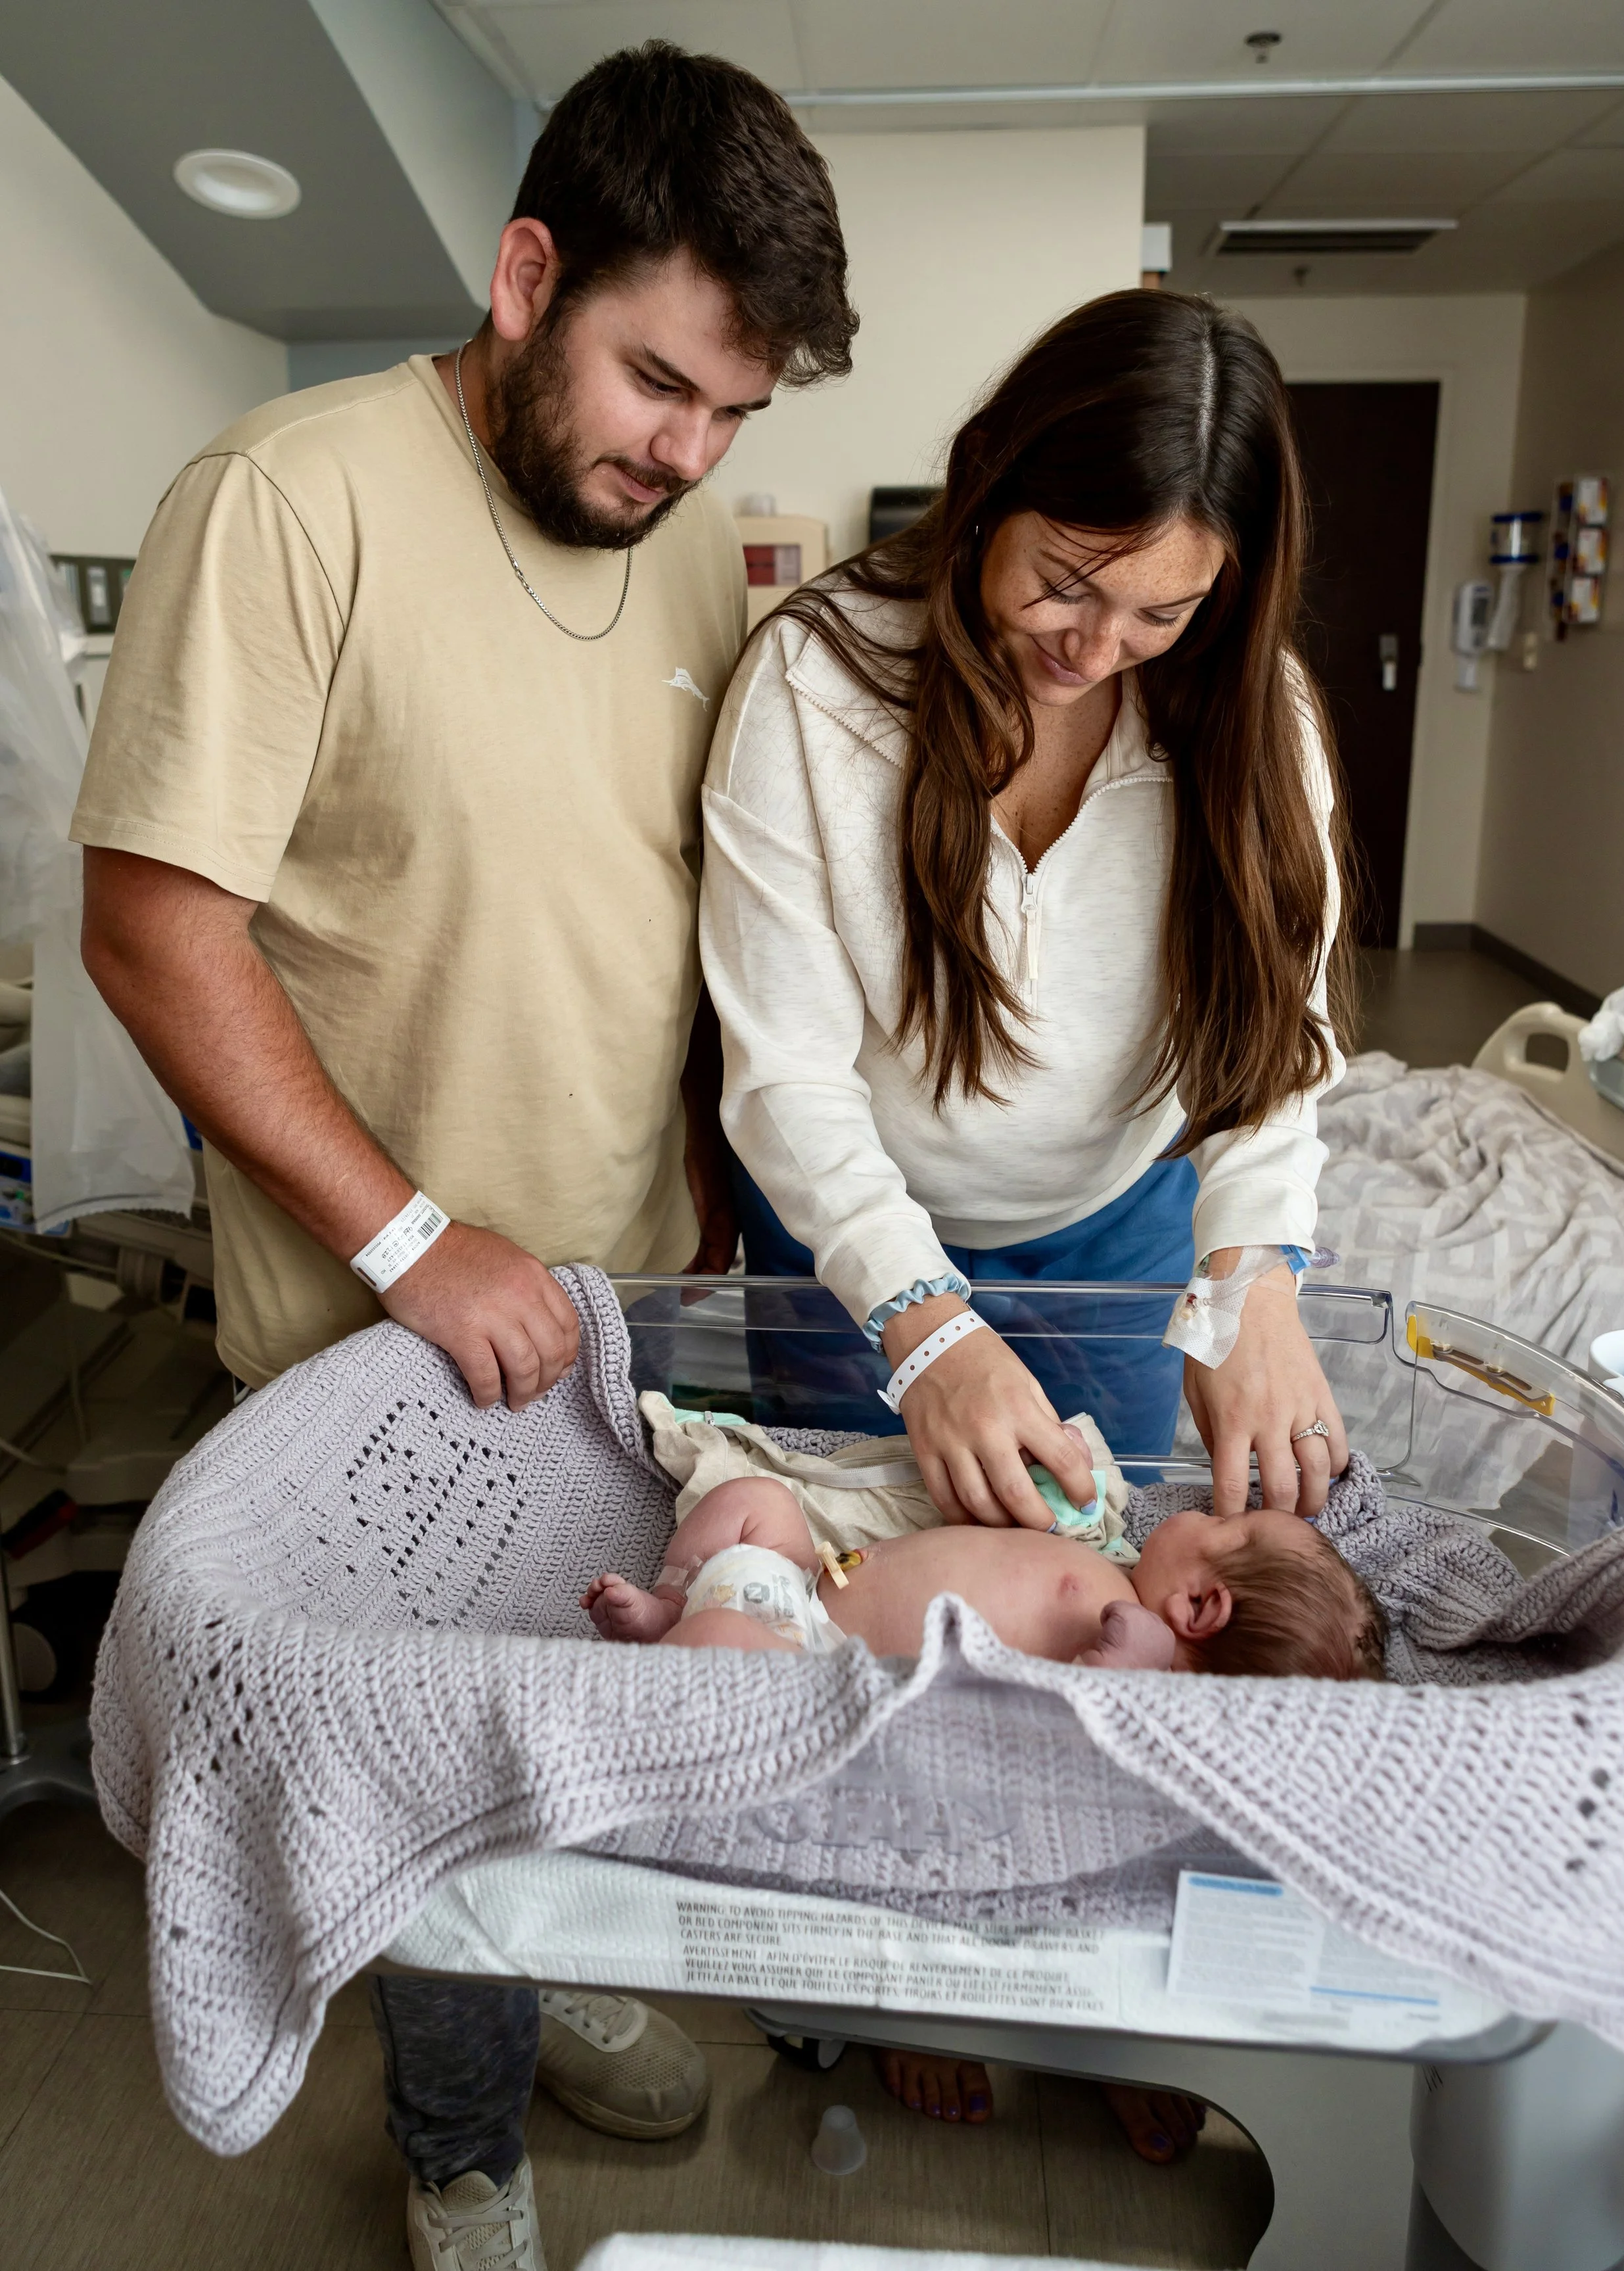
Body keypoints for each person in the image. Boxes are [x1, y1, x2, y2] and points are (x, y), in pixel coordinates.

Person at [72, 43, 854, 2270]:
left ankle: (531, 1966)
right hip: (375, 1343)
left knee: (590, 1690)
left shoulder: (695, 552)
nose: (685, 451)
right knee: (431, 1767)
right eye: (652, 380)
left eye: (729, 410)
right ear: (525, 277)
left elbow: (666, 909)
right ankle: (457, 2141)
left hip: (620, 1324)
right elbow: (156, 919)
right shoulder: (289, 494)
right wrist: (414, 1238)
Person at [699, 288, 1354, 2155]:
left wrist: (1253, 1280)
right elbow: (789, 1072)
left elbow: (1269, 1047)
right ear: (991, 487)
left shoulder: (1250, 714)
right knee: (865, 1652)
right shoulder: (819, 682)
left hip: (1120, 1225)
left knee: (1092, 1653)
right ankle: (874, 1956)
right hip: (855, 1230)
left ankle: (1082, 1963)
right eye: (1067, 581)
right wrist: (918, 1322)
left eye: (1161, 610)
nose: (1099, 645)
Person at [582, 1472, 1388, 1679]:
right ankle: (667, 1602)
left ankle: (679, 1638)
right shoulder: (1111, 1563)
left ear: (1201, 1605)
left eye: (1224, 1525)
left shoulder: (1132, 1659)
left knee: (721, 1639)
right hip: (800, 1580)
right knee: (752, 1500)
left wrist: (1123, 1679)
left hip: (812, 1666)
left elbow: (1044, 1731)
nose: (1207, 1510)